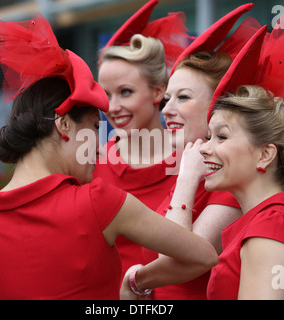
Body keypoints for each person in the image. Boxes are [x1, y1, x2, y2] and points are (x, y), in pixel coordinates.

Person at [0, 14, 218, 300]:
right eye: (93, 127)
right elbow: (202, 255)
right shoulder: (98, 199)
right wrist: (132, 286)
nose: (97, 144)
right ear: (63, 125)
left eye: (125, 92)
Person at [137, 4, 257, 300]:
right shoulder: (193, 170)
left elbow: (180, 258)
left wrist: (135, 281)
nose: (167, 109)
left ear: (218, 106)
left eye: (183, 97)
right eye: (167, 98)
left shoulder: (229, 184)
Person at [200, 14, 284, 300]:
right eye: (208, 136)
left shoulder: (273, 224)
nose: (204, 148)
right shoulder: (265, 221)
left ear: (265, 154)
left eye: (221, 136)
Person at [94, 0, 193, 279]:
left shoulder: (194, 162)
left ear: (158, 92)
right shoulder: (91, 166)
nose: (112, 107)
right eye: (106, 93)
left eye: (125, 92)